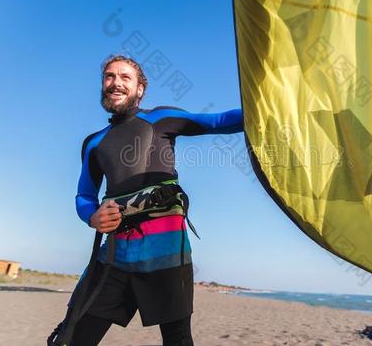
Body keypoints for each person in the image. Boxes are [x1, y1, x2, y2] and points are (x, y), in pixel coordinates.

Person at [70, 54, 243, 345]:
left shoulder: (161, 118)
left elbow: (218, 121)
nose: (116, 83)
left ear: (139, 89)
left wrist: (267, 111)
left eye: (125, 77)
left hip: (165, 255)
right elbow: (84, 194)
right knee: (73, 336)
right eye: (110, 76)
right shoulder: (93, 143)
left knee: (177, 340)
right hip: (113, 256)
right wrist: (92, 216)